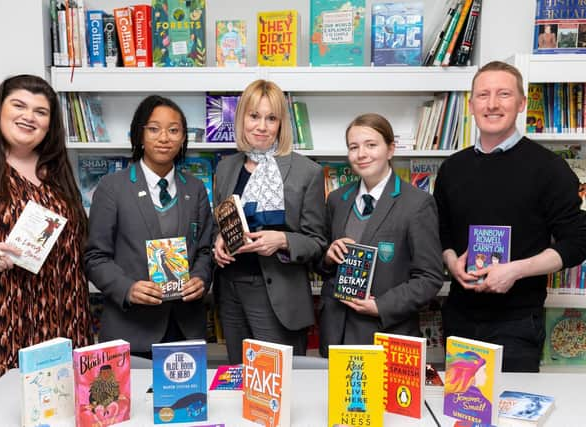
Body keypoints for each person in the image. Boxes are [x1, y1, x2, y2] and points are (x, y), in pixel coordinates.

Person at [0, 74, 90, 409]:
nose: (30, 116)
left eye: (41, 112)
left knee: (56, 410)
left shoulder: (55, 169)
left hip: (57, 323)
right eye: (20, 105)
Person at [433, 61, 586, 372]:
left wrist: (515, 270)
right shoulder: (452, 168)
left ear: (521, 103)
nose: (491, 104)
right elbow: (441, 233)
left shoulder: (549, 169)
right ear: (471, 104)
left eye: (503, 94)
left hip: (517, 323)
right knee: (461, 415)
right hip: (459, 317)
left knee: (509, 416)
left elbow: (578, 242)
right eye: (483, 95)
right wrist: (451, 262)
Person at [85, 95, 212, 359]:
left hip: (184, 328)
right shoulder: (112, 188)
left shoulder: (195, 188)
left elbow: (205, 250)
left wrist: (201, 279)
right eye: (154, 129)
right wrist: (127, 288)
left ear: (183, 138)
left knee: (184, 400)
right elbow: (95, 257)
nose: (164, 137)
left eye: (174, 130)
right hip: (132, 329)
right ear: (139, 135)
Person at [212, 79, 326, 364]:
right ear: (241, 119)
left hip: (278, 293)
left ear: (281, 124)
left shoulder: (306, 172)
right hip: (231, 290)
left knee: (278, 383)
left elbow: (318, 243)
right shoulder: (226, 168)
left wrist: (283, 240)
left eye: (271, 118)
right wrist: (218, 240)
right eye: (254, 116)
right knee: (240, 378)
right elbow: (222, 220)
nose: (261, 126)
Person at [319, 113, 443, 356]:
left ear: (390, 149)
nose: (361, 154)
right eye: (353, 147)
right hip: (336, 335)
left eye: (371, 145)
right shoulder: (337, 199)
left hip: (385, 335)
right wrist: (327, 257)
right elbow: (322, 265)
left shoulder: (417, 204)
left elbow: (429, 278)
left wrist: (381, 306)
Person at [444, 351, 491, 422]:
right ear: (472, 374)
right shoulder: (486, 405)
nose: (486, 376)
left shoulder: (448, 396)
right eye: (483, 370)